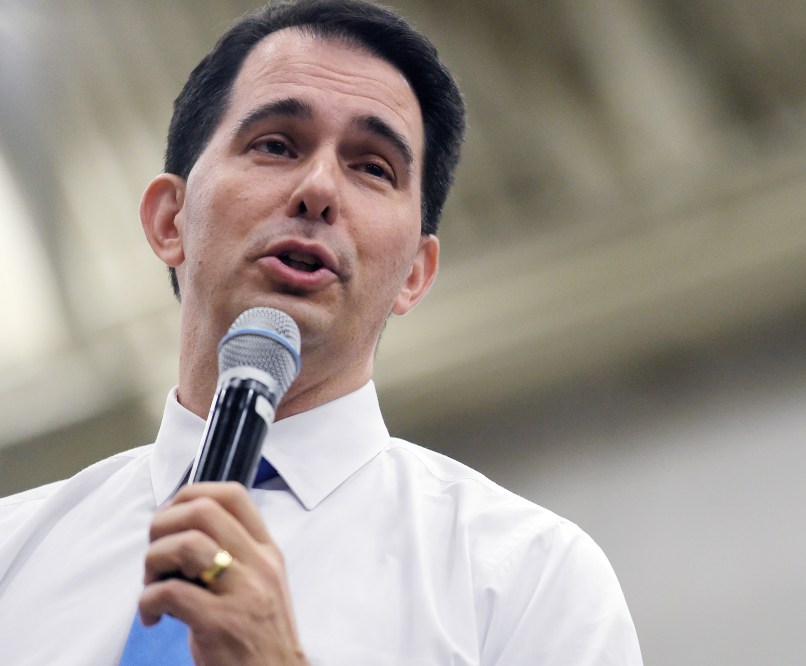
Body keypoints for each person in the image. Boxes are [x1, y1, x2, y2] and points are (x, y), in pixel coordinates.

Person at [0, 1, 643, 663]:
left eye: (373, 168)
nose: (319, 189)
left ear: (415, 275)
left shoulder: (527, 579)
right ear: (170, 220)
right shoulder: (13, 554)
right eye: (276, 145)